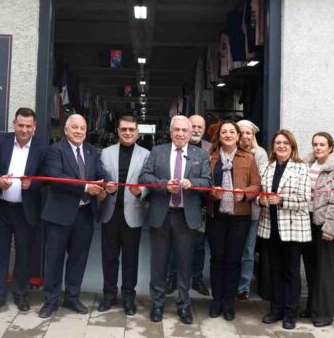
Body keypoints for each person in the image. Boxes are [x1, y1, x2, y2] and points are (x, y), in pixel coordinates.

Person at [39, 114, 113, 318]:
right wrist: (87, 187)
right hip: (59, 215)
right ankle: (51, 301)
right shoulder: (55, 150)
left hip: (84, 214)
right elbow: (56, 178)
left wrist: (107, 185)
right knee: (54, 259)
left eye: (82, 128)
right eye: (75, 127)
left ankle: (72, 297)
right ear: (66, 130)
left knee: (78, 259)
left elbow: (100, 174)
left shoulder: (91, 151)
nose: (79, 131)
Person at [140, 115, 210, 325]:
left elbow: (207, 182)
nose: (180, 134)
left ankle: (184, 305)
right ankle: (157, 304)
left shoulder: (200, 154)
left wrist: (191, 183)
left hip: (186, 217)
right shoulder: (157, 152)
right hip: (161, 215)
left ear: (190, 133)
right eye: (176, 130)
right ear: (170, 132)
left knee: (184, 264)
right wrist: (164, 185)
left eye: (184, 130)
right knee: (158, 264)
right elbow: (145, 177)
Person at [0, 107, 47, 313]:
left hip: (26, 210)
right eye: (21, 125)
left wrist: (33, 184)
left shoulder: (42, 146)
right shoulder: (1, 141)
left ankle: (20, 293)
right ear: (14, 124)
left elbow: (46, 176)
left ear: (34, 126)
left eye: (28, 126)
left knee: (24, 253)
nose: (24, 130)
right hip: (2, 207)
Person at [205, 120, 260, 320]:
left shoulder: (248, 158)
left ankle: (229, 302)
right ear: (219, 137)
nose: (228, 135)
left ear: (238, 136)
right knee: (217, 258)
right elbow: (204, 184)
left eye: (232, 132)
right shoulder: (210, 157)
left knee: (234, 260)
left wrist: (244, 194)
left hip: (240, 216)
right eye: (224, 132)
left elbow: (257, 185)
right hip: (216, 215)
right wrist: (212, 193)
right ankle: (216, 300)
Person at [257, 129, 310, 330]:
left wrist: (281, 200)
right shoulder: (266, 167)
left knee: (291, 272)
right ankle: (275, 310)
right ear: (273, 146)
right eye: (278, 143)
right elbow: (257, 194)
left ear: (292, 146)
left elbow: (305, 200)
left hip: (293, 229)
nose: (281, 146)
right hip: (270, 227)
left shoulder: (301, 168)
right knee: (274, 272)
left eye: (285, 143)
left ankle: (290, 313)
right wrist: (260, 200)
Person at [98, 115, 150, 315]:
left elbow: (148, 181)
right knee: (109, 257)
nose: (127, 133)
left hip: (133, 212)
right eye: (124, 129)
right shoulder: (106, 153)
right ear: (118, 131)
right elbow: (99, 177)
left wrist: (141, 191)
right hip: (110, 212)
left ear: (137, 132)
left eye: (131, 129)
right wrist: (104, 187)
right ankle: (109, 295)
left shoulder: (146, 155)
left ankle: (128, 297)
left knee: (130, 259)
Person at [300, 132, 334, 327]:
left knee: (326, 271)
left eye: (322, 144)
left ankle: (323, 314)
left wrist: (330, 228)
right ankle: (312, 307)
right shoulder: (306, 165)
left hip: (327, 225)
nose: (318, 148)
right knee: (311, 268)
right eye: (315, 144)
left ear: (330, 147)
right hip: (308, 223)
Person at [165, 114, 211, 298]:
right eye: (194, 126)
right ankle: (172, 278)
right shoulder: (171, 148)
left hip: (201, 206)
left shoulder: (210, 149)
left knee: (198, 244)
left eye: (200, 127)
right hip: (176, 206)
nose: (196, 130)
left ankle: (197, 278)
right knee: (174, 244)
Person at [236, 119, 269, 301]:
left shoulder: (261, 154)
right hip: (233, 208)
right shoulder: (231, 150)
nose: (245, 136)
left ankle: (243, 287)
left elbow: (262, 181)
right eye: (241, 133)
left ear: (253, 135)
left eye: (248, 133)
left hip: (252, 210)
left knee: (248, 251)